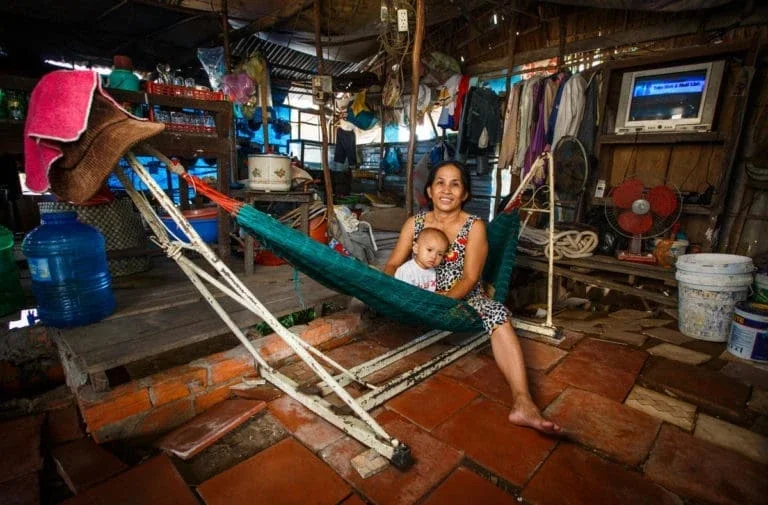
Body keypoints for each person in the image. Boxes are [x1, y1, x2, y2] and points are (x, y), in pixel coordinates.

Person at [384, 160, 561, 435]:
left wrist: (440, 303)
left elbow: (469, 279)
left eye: (455, 184)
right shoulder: (415, 223)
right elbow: (393, 264)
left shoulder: (474, 227)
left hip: (462, 296)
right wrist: (398, 290)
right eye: (440, 182)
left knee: (498, 314)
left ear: (465, 194)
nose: (447, 190)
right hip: (417, 291)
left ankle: (523, 402)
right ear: (429, 190)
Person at [394, 227, 450, 291]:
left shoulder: (432, 271)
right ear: (416, 248)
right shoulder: (407, 271)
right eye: (429, 250)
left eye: (440, 254)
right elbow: (404, 294)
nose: (434, 257)